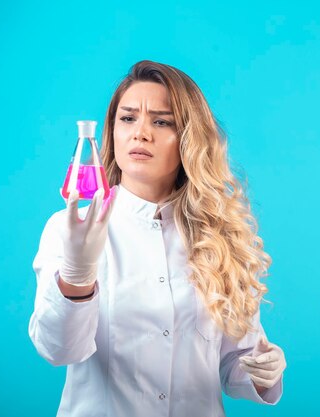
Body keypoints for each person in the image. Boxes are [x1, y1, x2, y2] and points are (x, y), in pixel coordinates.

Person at [29, 60, 286, 417]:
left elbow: (233, 363)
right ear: (112, 131)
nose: (141, 133)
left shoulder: (218, 239)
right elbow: (58, 350)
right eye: (128, 118)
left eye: (162, 121)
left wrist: (263, 366)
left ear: (190, 139)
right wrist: (75, 278)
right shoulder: (71, 229)